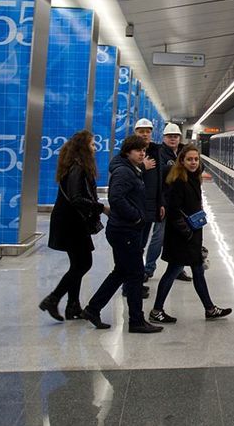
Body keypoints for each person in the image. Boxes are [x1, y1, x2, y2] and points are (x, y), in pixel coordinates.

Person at [81, 135, 163, 334]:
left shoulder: (131, 169)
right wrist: (136, 217)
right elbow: (116, 198)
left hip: (124, 229)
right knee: (135, 274)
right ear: (128, 152)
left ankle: (93, 309)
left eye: (143, 150)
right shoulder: (124, 172)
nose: (142, 153)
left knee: (121, 271)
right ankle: (136, 321)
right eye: (138, 150)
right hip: (125, 230)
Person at [149, 144, 231, 323]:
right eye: (189, 159)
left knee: (198, 271)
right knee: (172, 272)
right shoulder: (178, 180)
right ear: (182, 161)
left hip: (190, 234)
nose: (193, 162)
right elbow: (173, 210)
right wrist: (187, 232)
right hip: (182, 236)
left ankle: (209, 308)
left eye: (196, 159)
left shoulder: (193, 177)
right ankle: (156, 310)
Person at [39, 131, 107, 322]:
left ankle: (72, 306)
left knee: (78, 264)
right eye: (92, 145)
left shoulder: (73, 166)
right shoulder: (78, 168)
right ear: (83, 148)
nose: (95, 148)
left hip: (69, 220)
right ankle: (53, 299)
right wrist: (101, 208)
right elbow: (77, 198)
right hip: (72, 222)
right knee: (84, 263)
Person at [145, 122, 192, 282]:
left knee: (180, 237)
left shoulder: (184, 151)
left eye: (176, 136)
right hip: (165, 201)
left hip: (181, 203)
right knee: (159, 237)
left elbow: (197, 166)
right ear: (164, 138)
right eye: (170, 136)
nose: (173, 139)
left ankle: (178, 269)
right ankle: (148, 268)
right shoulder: (159, 153)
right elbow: (157, 176)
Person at [121, 118, 162, 299]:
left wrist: (160, 203)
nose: (145, 134)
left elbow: (159, 180)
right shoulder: (127, 152)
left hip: (149, 207)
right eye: (141, 131)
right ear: (135, 132)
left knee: (140, 247)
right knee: (134, 249)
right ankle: (129, 286)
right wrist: (141, 167)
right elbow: (123, 174)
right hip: (135, 209)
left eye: (147, 131)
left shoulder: (155, 151)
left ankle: (135, 283)